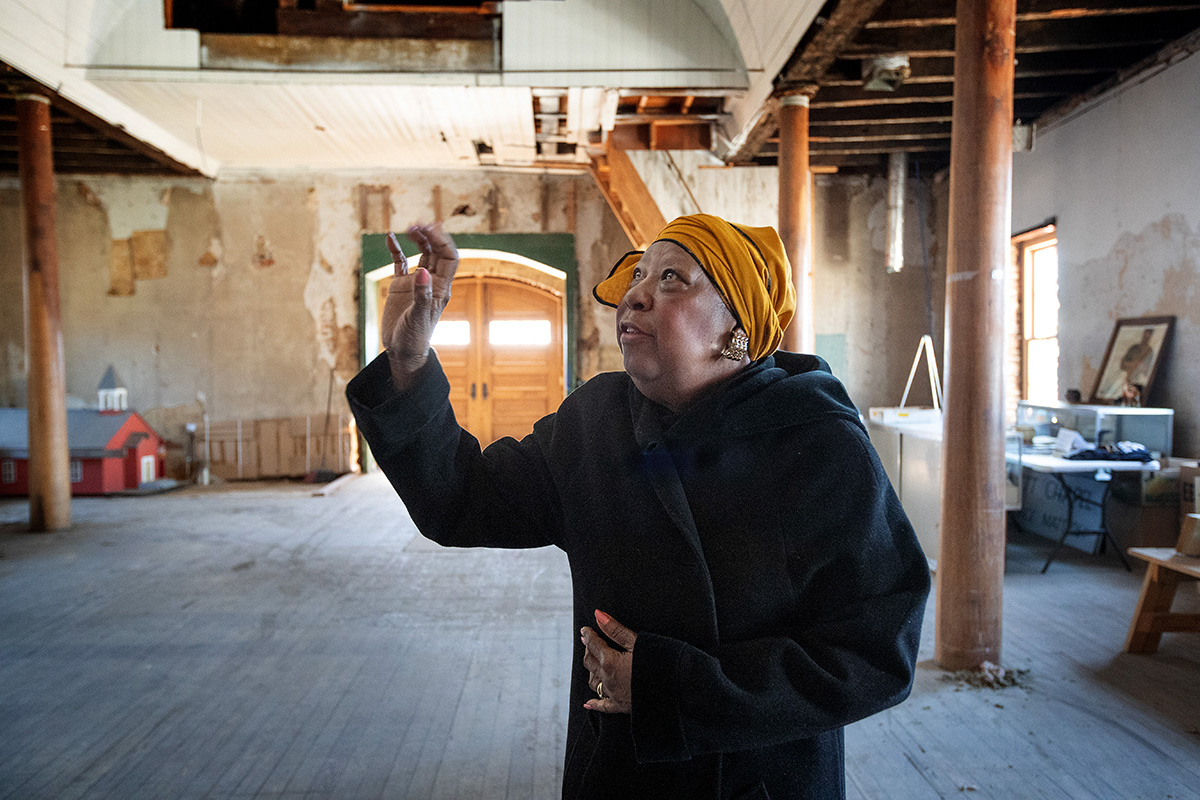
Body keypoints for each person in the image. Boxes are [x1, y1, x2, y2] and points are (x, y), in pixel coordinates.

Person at [347, 213, 930, 799]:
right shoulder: (596, 425)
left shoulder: (818, 443)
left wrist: (670, 689)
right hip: (619, 775)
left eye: (672, 279)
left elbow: (876, 649)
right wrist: (409, 359)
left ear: (738, 326)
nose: (635, 297)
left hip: (763, 780)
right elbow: (462, 498)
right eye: (637, 278)